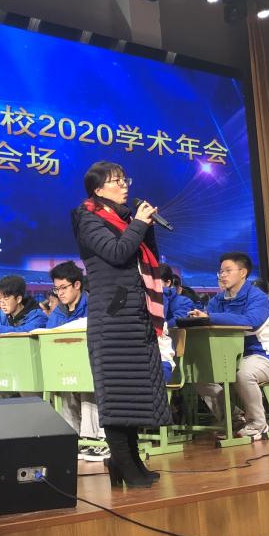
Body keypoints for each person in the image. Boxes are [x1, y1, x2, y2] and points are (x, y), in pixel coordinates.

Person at [72, 161, 170, 488]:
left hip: (135, 314)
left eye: (124, 179)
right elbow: (116, 253)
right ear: (98, 189)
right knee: (117, 393)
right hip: (112, 317)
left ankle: (129, 460)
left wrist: (146, 226)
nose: (124, 185)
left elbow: (146, 257)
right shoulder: (87, 217)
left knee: (135, 392)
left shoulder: (126, 218)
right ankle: (124, 462)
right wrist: (139, 223)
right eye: (115, 181)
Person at [189, 252, 269, 440]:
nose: (222, 275)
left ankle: (259, 425)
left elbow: (251, 321)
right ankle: (234, 419)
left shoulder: (257, 297)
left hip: (265, 355)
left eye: (228, 270)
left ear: (243, 272)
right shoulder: (217, 301)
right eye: (221, 271)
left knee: (243, 373)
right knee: (200, 375)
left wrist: (211, 318)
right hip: (230, 356)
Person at [46, 261, 105, 460]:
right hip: (67, 365)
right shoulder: (58, 312)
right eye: (56, 289)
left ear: (77, 285)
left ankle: (96, 439)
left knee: (88, 384)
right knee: (63, 386)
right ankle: (72, 438)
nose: (59, 293)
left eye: (63, 287)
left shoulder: (94, 305)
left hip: (93, 365)